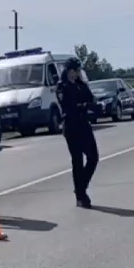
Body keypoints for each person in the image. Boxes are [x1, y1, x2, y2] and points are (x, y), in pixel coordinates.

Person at [55, 57, 99, 208]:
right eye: (75, 70)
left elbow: (90, 99)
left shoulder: (81, 85)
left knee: (93, 157)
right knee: (77, 161)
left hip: (84, 124)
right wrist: (83, 105)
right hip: (71, 126)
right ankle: (81, 196)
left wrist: (94, 106)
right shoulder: (62, 87)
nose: (77, 73)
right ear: (68, 70)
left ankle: (81, 187)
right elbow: (67, 105)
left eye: (78, 70)